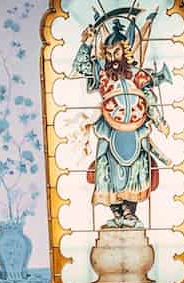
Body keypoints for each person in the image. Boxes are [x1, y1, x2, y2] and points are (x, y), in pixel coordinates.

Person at [71, 8, 172, 229]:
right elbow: (79, 67)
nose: (111, 58)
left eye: (115, 52)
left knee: (135, 172)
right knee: (110, 172)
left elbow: (149, 98)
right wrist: (86, 43)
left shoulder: (137, 74)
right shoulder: (101, 73)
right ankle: (116, 212)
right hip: (110, 131)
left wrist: (159, 121)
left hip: (137, 131)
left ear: (125, 51)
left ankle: (129, 212)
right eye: (107, 53)